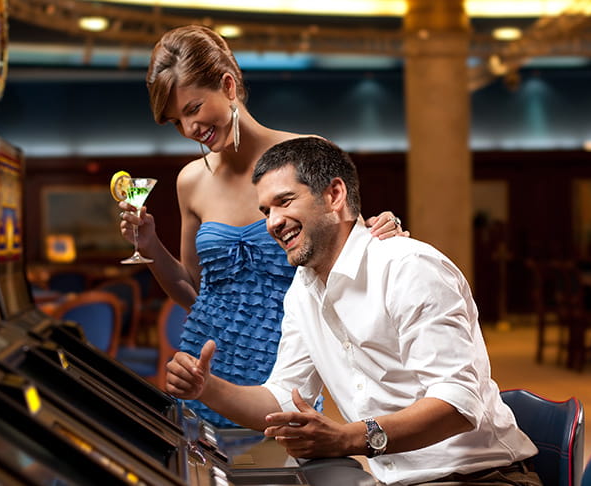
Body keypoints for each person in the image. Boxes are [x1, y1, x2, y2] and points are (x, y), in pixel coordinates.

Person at [166, 137, 540, 485]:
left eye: (285, 201)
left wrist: (346, 439)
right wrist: (207, 388)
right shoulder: (302, 290)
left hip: (483, 477)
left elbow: (457, 403)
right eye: (265, 211)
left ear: (334, 194)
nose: (272, 223)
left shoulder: (409, 267)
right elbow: (281, 396)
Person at [117, 25, 408, 427]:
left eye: (193, 109)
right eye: (175, 122)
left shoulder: (307, 155)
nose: (188, 130)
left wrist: (384, 234)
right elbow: (193, 290)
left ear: (228, 85)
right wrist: (149, 247)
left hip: (284, 370)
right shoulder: (190, 181)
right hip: (203, 368)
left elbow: (350, 260)